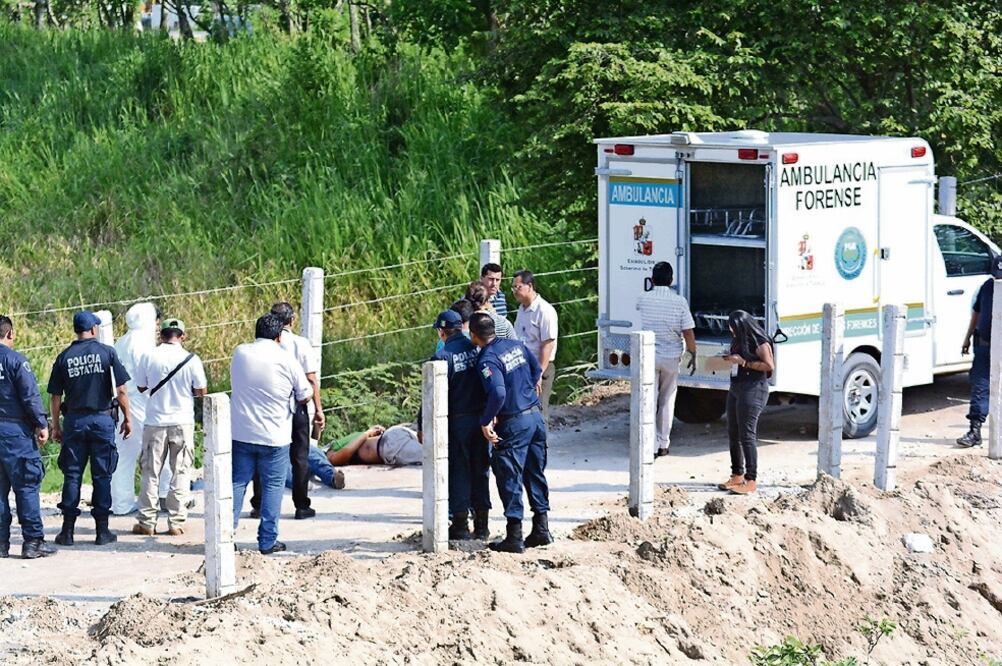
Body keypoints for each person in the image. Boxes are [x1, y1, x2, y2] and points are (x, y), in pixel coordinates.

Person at [48, 310, 133, 547]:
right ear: (94, 329)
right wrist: (128, 418)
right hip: (101, 421)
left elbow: (55, 396)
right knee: (102, 475)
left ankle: (67, 532)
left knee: (72, 474)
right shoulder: (107, 353)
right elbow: (122, 390)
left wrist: (56, 425)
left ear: (77, 330)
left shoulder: (64, 357)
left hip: (75, 422)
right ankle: (102, 532)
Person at [230, 313, 312, 554]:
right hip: (275, 435)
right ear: (279, 336)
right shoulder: (287, 360)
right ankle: (266, 541)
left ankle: (226, 537)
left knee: (237, 483)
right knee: (273, 486)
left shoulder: (240, 353)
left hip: (241, 432)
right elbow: (304, 395)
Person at [470, 312, 551, 553]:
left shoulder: (488, 359)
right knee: (535, 473)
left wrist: (486, 421)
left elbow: (498, 393)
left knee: (509, 475)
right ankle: (541, 529)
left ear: (474, 335)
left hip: (514, 423)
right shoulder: (516, 345)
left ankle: (514, 536)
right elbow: (537, 370)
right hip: (535, 418)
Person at [131, 317, 207, 536]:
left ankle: (146, 521)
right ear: (182, 336)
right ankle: (176, 521)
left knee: (150, 472)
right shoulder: (191, 359)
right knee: (181, 472)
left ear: (161, 335)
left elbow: (141, 385)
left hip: (155, 421)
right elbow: (201, 391)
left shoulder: (149, 356)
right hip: (182, 421)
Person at [250, 303, 324, 520]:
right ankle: (301, 505)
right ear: (292, 321)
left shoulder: (259, 346)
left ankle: (259, 504)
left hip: (267, 406)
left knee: (263, 453)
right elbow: (311, 379)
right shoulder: (300, 344)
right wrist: (319, 410)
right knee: (300, 457)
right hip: (297, 405)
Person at [420, 310, 490, 541]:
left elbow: (430, 396)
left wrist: (421, 423)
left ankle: (460, 524)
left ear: (442, 331)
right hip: (480, 419)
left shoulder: (442, 357)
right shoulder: (477, 349)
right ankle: (482, 525)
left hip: (457, 421)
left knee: (458, 471)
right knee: (480, 470)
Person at [0, 315, 55, 559]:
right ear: (9, 334)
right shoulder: (16, 361)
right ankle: (33, 542)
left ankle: (1, 544)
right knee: (26, 486)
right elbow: (30, 397)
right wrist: (41, 424)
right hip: (15, 433)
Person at [111, 302, 172, 515]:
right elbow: (152, 378)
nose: (157, 325)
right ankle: (164, 496)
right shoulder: (145, 345)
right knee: (158, 451)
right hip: (144, 404)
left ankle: (121, 503)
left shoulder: (121, 342)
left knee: (124, 456)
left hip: (121, 404)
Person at [635, 261, 697, 458]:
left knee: (649, 400)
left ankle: (649, 444)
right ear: (671, 281)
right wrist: (693, 353)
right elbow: (688, 332)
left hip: (649, 356)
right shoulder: (679, 302)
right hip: (671, 357)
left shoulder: (643, 298)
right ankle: (663, 443)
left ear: (652, 279)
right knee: (667, 400)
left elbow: (640, 310)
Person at [718, 310, 774, 495]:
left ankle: (751, 479)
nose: (730, 329)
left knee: (747, 435)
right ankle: (737, 474)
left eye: (733, 326)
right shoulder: (737, 340)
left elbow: (768, 366)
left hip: (754, 389)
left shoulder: (759, 342)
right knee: (733, 432)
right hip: (737, 387)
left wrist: (744, 362)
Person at [958, 255, 1002, 447]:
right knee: (980, 387)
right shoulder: (987, 286)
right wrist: (967, 337)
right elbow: (976, 313)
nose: (999, 279)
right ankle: (974, 431)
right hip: (984, 344)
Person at [512, 270, 559, 424]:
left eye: (517, 287)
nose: (514, 291)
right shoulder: (522, 309)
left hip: (539, 367)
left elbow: (548, 344)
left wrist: (538, 373)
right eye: (513, 288)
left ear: (529, 286)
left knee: (538, 411)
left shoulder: (544, 311)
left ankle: (541, 446)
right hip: (522, 367)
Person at [325, 424, 423, 467]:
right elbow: (339, 457)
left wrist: (368, 432)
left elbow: (338, 457)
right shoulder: (346, 442)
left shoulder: (331, 449)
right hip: (393, 439)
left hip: (390, 446)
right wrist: (369, 433)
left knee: (431, 456)